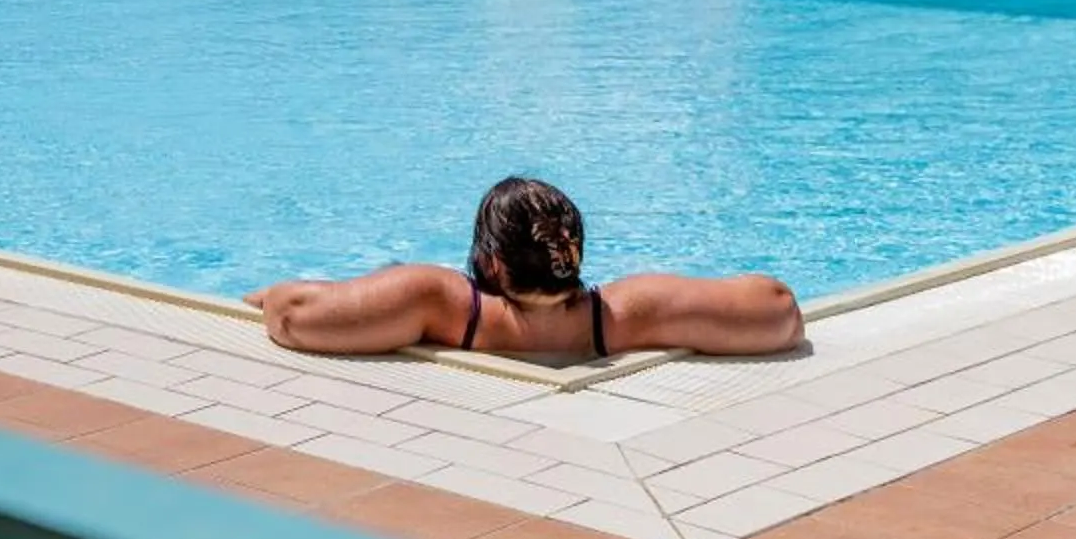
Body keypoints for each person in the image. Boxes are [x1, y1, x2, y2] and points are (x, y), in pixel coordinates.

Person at [243, 177, 803, 360]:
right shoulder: (628, 313)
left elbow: (295, 317)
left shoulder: (440, 303)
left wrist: (272, 293)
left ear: (487, 261)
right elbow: (779, 311)